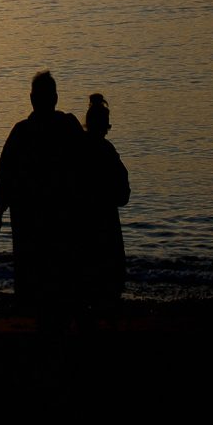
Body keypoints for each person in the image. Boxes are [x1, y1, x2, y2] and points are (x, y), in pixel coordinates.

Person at [0, 70, 85, 328]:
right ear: (54, 98)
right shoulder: (66, 127)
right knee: (56, 280)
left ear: (33, 99)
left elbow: (5, 176)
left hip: (38, 220)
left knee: (39, 280)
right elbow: (86, 169)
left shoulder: (25, 131)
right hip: (55, 219)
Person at [75, 92, 131, 318]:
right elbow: (124, 195)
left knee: (83, 284)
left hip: (81, 225)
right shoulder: (108, 152)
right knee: (108, 284)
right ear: (106, 126)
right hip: (106, 224)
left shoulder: (76, 150)